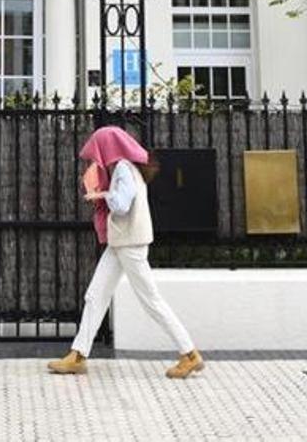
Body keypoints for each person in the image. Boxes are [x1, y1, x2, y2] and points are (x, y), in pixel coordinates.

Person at [48, 125, 205, 379]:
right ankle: (78, 355)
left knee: (151, 300)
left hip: (129, 244)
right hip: (120, 242)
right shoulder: (127, 167)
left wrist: (99, 194)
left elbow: (121, 205)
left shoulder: (123, 168)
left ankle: (189, 354)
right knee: (96, 295)